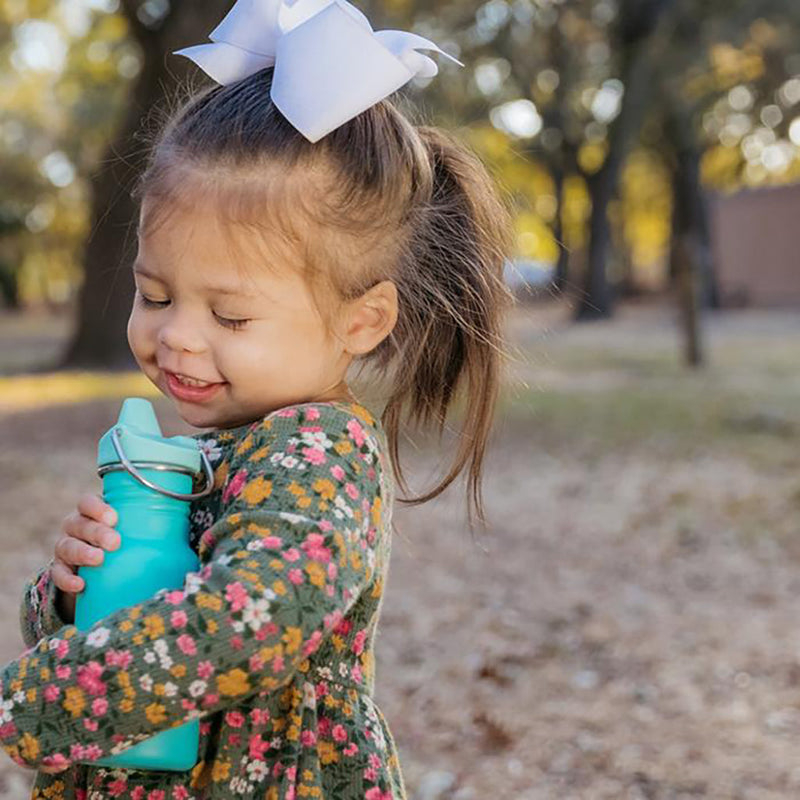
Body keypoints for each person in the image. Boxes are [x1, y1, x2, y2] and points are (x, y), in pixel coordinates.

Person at [1, 0, 515, 797]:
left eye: (230, 314)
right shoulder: (218, 443)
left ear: (362, 318)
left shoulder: (318, 451)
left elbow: (258, 618)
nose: (177, 337)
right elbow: (148, 613)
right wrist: (70, 597)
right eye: (156, 294)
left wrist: (39, 702)